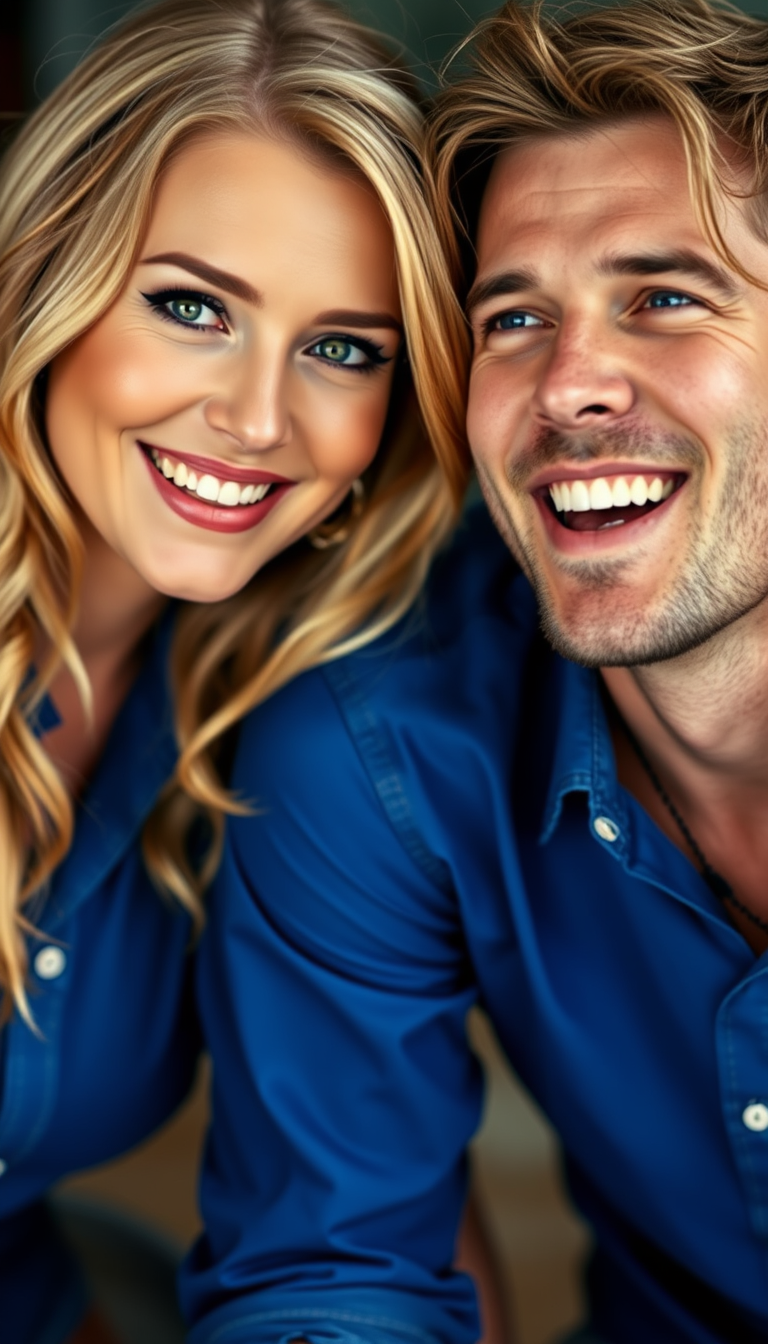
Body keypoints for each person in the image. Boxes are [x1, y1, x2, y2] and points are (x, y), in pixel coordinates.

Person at [186, 1, 768, 1342]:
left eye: (662, 297)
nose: (569, 386)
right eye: (513, 319)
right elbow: (334, 1272)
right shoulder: (380, 745)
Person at [0, 1, 480, 1340]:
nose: (261, 418)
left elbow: (358, 1220)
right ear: (46, 282)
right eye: (193, 306)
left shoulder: (281, 722)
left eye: (343, 349)